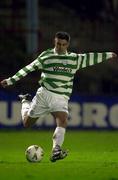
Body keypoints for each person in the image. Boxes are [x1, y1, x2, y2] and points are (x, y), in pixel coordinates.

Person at [0, 31, 117, 162]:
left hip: (61, 97)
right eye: (58, 44)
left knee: (62, 119)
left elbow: (91, 57)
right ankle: (25, 101)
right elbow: (29, 68)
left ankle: (56, 149)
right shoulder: (46, 56)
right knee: (27, 123)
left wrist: (109, 55)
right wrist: (11, 80)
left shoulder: (74, 59)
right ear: (54, 42)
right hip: (44, 94)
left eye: (63, 44)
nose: (61, 47)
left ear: (67, 45)